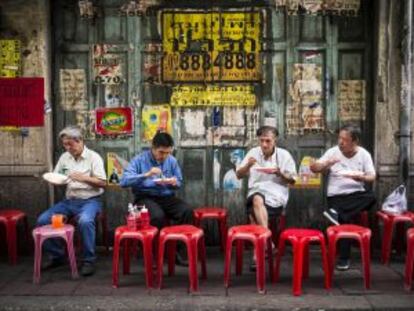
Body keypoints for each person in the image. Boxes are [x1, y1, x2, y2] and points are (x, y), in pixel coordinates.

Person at [37, 125, 107, 276]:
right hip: (69, 201)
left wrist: (83, 178)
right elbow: (57, 176)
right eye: (65, 144)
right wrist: (53, 179)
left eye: (71, 144)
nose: (68, 147)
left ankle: (89, 260)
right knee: (42, 220)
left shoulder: (94, 157)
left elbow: (102, 183)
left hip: (90, 200)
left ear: (80, 140)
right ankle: (58, 255)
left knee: (85, 221)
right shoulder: (64, 157)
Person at [120, 131, 192, 265]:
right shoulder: (139, 160)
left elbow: (179, 182)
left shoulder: (171, 161)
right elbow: (123, 182)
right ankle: (153, 253)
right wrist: (146, 174)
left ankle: (174, 251)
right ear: (152, 147)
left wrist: (174, 183)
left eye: (167, 153)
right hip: (144, 198)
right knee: (157, 216)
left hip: (166, 196)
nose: (164, 156)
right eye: (161, 152)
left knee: (186, 211)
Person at [310, 125, 376, 271]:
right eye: (339, 138)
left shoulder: (364, 154)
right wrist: (327, 163)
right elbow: (314, 168)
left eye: (344, 140)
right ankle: (344, 258)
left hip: (356, 195)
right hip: (336, 195)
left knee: (371, 197)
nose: (340, 142)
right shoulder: (333, 152)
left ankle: (336, 213)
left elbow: (372, 176)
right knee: (344, 219)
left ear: (355, 141)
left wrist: (361, 177)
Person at [236, 126, 297, 270]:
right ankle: (266, 243)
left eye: (268, 141)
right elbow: (239, 174)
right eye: (262, 141)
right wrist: (248, 166)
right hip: (256, 193)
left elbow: (293, 180)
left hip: (276, 196)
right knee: (256, 199)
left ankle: (258, 253)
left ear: (274, 140)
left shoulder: (284, 155)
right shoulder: (253, 153)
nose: (264, 144)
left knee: (253, 214)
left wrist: (280, 174)